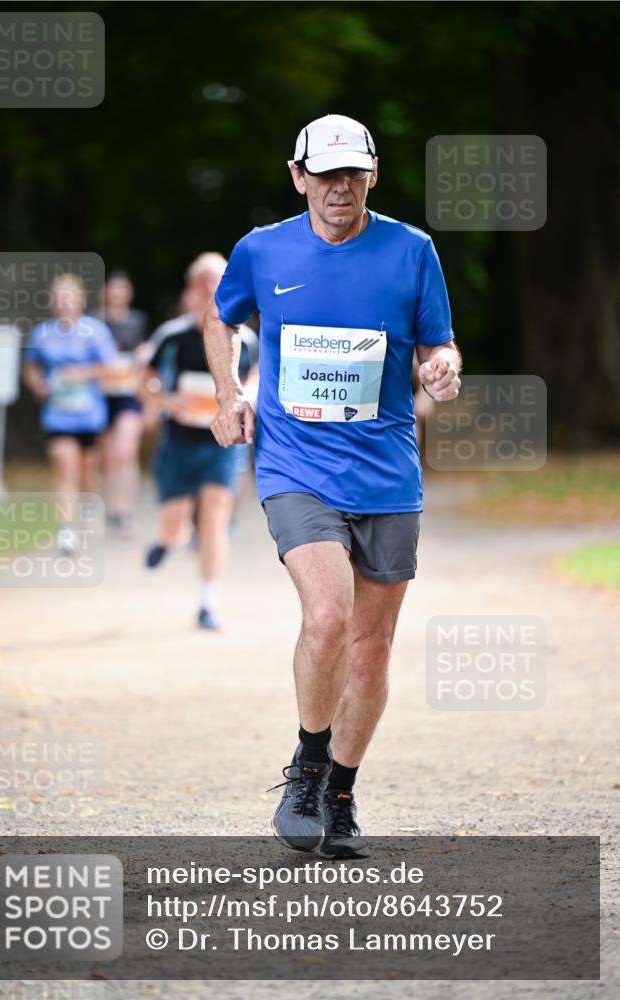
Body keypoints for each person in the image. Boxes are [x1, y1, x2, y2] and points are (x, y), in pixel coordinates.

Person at [203, 114, 462, 858]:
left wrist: (443, 365)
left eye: (351, 173)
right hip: (295, 465)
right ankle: (306, 771)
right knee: (327, 616)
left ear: (371, 175)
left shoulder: (411, 250)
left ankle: (340, 796)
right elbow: (219, 320)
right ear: (298, 176)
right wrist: (228, 395)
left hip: (385, 469)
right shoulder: (263, 248)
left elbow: (437, 341)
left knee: (371, 651)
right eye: (324, 174)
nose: (337, 188)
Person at [140, 253, 258, 630]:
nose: (211, 288)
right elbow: (143, 380)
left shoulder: (245, 337)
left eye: (218, 280)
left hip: (221, 445)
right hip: (178, 441)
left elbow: (257, 376)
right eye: (204, 281)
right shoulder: (171, 335)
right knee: (175, 525)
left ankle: (208, 603)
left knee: (214, 517)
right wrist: (165, 401)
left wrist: (242, 400)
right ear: (190, 290)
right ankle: (169, 540)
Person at [23, 273, 117, 554]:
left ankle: (88, 505)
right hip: (57, 414)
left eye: (70, 297)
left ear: (80, 300)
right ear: (53, 302)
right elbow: (30, 367)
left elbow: (112, 368)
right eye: (59, 297)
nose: (65, 303)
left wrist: (82, 373)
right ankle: (66, 531)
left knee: (88, 472)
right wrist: (37, 385)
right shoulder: (42, 333)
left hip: (89, 414)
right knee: (66, 469)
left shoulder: (96, 331)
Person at [94, 271, 150, 536]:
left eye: (121, 289)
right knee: (107, 457)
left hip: (130, 395)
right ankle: (110, 508)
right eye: (111, 289)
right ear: (104, 292)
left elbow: (148, 356)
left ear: (129, 293)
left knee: (125, 452)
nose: (116, 294)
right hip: (101, 395)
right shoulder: (95, 323)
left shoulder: (139, 321)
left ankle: (125, 511)